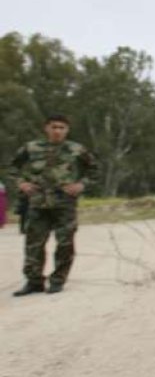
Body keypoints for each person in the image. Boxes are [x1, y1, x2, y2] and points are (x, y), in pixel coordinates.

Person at [8, 114, 98, 296]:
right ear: (46, 128)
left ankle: (58, 280)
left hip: (64, 202)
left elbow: (94, 169)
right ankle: (34, 281)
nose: (57, 131)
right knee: (34, 243)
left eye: (62, 127)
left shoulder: (77, 149)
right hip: (37, 202)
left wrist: (81, 185)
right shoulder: (31, 148)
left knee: (65, 243)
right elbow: (12, 168)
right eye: (54, 127)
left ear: (67, 130)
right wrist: (21, 183)